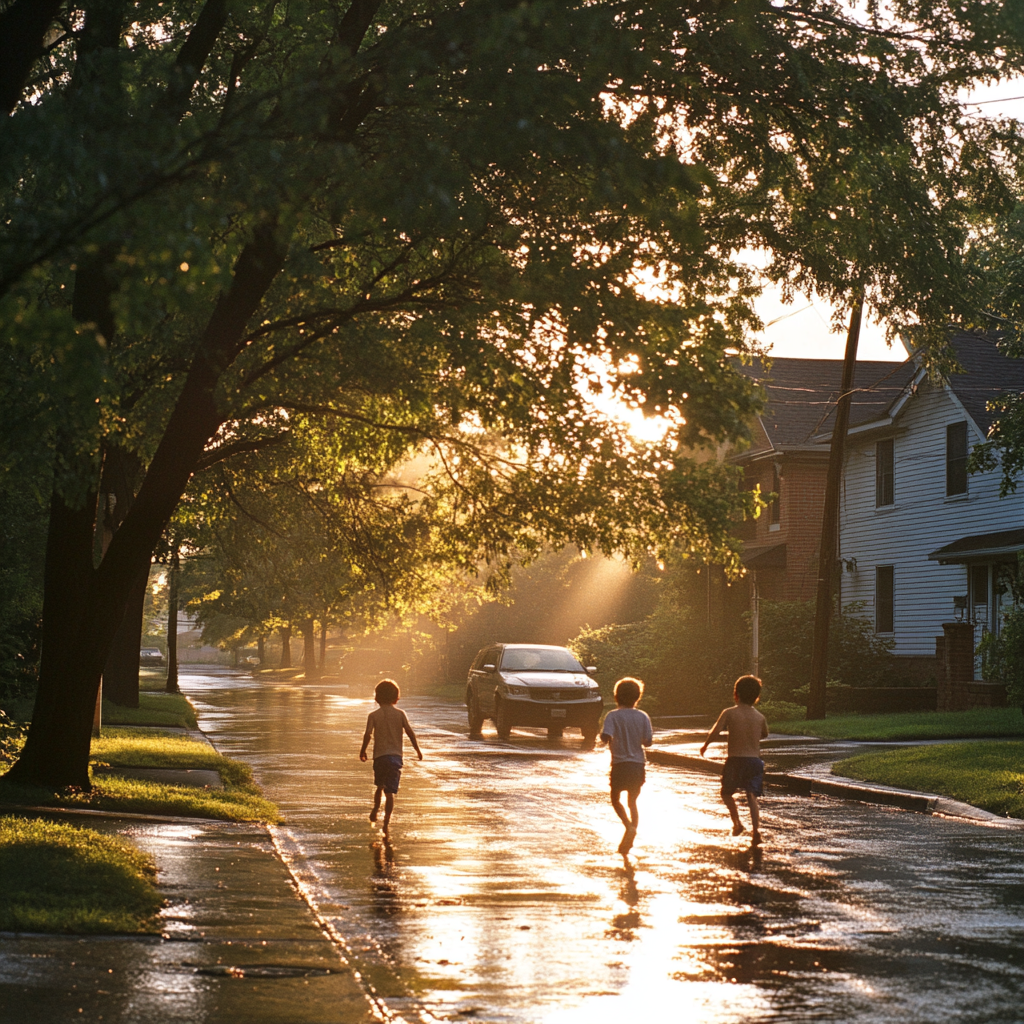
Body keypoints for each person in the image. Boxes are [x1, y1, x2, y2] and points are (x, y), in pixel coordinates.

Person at [700, 674, 769, 845]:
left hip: (735, 760)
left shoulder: (729, 713)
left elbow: (715, 731)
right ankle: (756, 832)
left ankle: (737, 823)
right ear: (757, 697)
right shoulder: (760, 717)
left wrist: (706, 746)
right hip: (754, 761)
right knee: (752, 795)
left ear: (735, 694)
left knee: (726, 793)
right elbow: (765, 733)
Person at [359, 678, 422, 835]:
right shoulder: (400, 714)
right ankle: (386, 823)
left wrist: (363, 750)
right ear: (396, 696)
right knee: (390, 792)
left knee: (379, 786)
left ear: (377, 697)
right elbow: (410, 732)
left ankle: (375, 808)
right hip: (395, 758)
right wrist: (417, 750)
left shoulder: (373, 715)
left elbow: (367, 734)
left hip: (380, 757)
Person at [600, 677, 653, 855]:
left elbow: (605, 736)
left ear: (616, 696)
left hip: (619, 764)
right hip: (638, 764)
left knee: (616, 799)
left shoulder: (612, 716)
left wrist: (603, 740)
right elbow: (648, 742)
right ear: (637, 697)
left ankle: (628, 826)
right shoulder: (643, 716)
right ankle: (632, 832)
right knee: (633, 801)